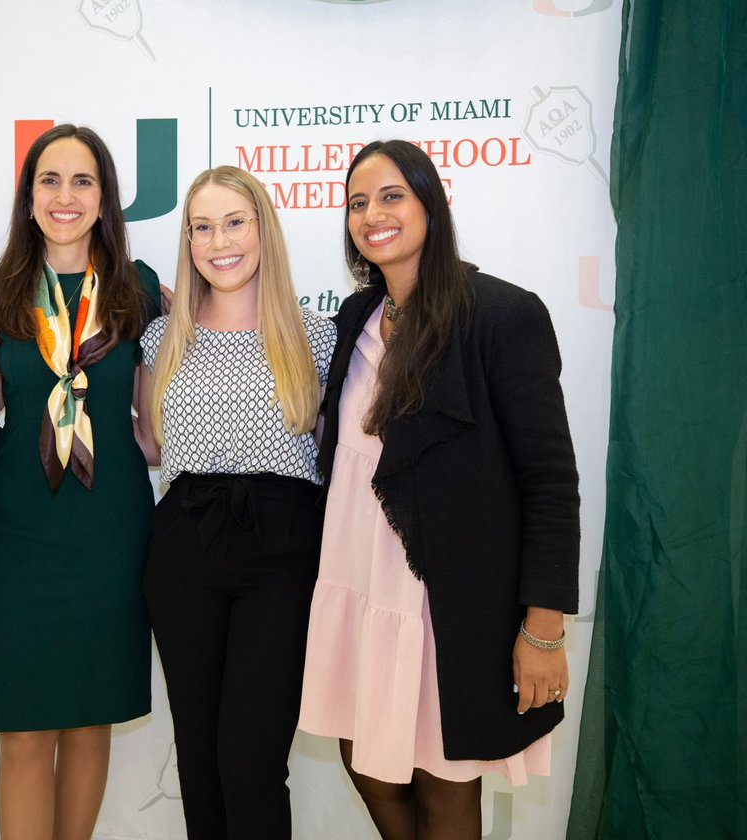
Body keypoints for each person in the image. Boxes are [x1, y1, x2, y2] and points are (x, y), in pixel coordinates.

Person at [299, 140, 580, 839]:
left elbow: (549, 481)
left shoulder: (500, 316)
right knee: (365, 759)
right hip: (355, 583)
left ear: (431, 204)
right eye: (358, 203)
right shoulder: (352, 323)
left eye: (392, 195)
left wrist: (542, 629)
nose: (372, 215)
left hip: (443, 600)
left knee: (444, 779)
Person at [0, 124, 161, 840]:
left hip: (109, 531)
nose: (65, 196)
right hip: (16, 533)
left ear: (106, 199)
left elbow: (163, 395)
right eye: (49, 180)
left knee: (89, 720)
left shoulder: (139, 289)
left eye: (83, 181)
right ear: (27, 199)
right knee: (23, 730)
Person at [138, 166, 336, 840]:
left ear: (262, 230)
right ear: (188, 240)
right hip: (183, 548)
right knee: (199, 758)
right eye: (202, 226)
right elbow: (145, 443)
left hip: (282, 550)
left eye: (233, 222)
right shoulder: (160, 339)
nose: (218, 240)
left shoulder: (317, 336)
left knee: (249, 759)